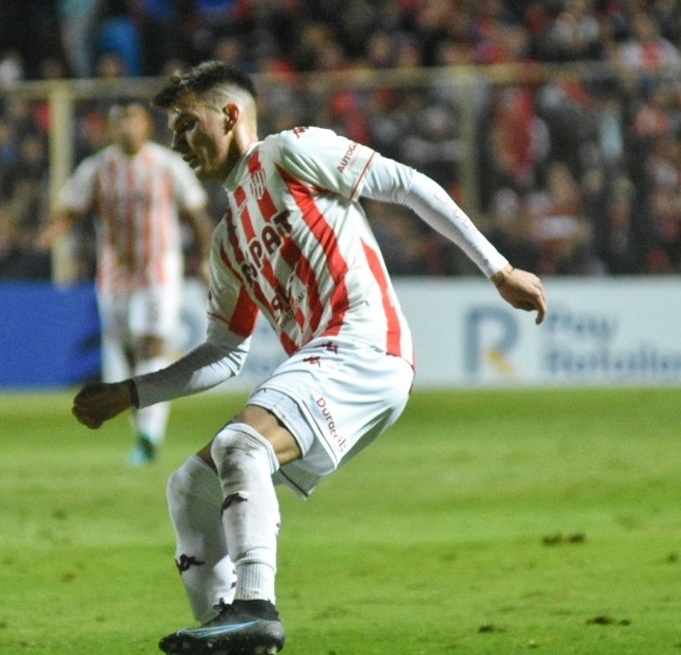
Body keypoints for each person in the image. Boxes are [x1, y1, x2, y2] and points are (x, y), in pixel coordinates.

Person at [69, 61, 548, 655]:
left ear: (231, 115)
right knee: (190, 487)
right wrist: (132, 393)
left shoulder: (289, 152)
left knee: (240, 445)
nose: (176, 141)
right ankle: (235, 633)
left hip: (364, 343)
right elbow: (225, 353)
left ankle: (254, 608)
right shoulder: (227, 241)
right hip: (331, 362)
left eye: (186, 125)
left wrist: (497, 269)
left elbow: (406, 183)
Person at [40, 101, 212, 466]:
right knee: (132, 354)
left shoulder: (166, 165)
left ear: (146, 126)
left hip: (159, 271)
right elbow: (70, 207)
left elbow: (197, 213)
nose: (126, 128)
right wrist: (53, 230)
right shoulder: (98, 168)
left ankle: (150, 434)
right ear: (110, 128)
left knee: (152, 345)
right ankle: (144, 419)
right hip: (115, 275)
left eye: (132, 121)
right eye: (119, 122)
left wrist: (208, 259)